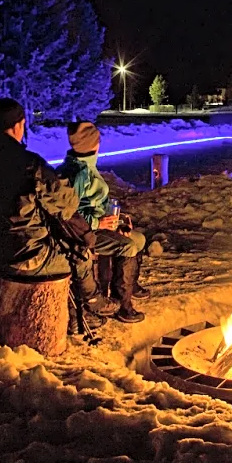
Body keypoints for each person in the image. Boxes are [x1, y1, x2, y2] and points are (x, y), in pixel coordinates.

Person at [0, 99, 117, 331]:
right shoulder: (27, 164)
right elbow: (67, 203)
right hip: (26, 257)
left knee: (62, 242)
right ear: (18, 126)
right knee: (78, 251)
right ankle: (90, 304)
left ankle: (76, 310)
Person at [57, 121, 149, 324]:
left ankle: (129, 283)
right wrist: (99, 223)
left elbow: (93, 202)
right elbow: (71, 215)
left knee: (139, 239)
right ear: (94, 143)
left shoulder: (82, 165)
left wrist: (118, 219)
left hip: (98, 224)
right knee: (128, 246)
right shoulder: (79, 173)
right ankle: (122, 305)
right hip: (85, 232)